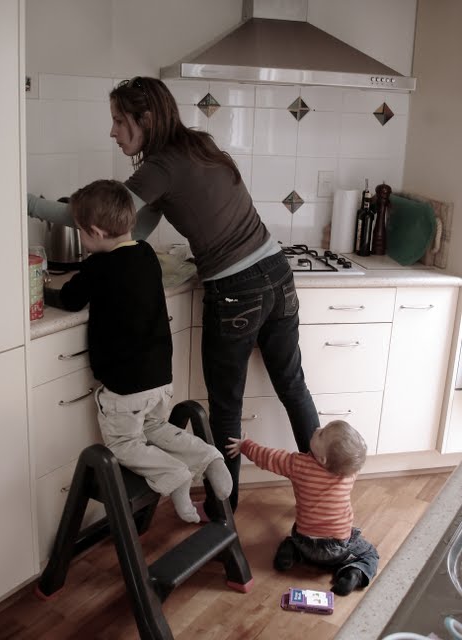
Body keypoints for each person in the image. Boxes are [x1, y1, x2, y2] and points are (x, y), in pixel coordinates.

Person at [28, 76, 320, 520]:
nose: (112, 132)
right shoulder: (199, 145)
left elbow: (100, 216)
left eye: (119, 121)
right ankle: (324, 494)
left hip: (236, 290)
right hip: (277, 273)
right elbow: (132, 230)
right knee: (294, 388)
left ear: (145, 119)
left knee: (227, 406)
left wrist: (27, 204)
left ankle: (223, 513)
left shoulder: (159, 167)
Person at [44, 178, 232, 524]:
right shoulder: (145, 253)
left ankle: (173, 475)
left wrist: (43, 293)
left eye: (80, 232)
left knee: (123, 444)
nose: (81, 239)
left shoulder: (98, 266)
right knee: (155, 428)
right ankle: (208, 457)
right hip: (159, 379)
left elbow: (71, 299)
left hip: (125, 388)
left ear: (95, 232)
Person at [226, 420, 379, 596]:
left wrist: (245, 446)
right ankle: (354, 572)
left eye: (321, 433)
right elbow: (354, 460)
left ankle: (291, 553)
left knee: (293, 539)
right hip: (337, 549)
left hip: (304, 541)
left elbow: (268, 457)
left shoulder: (297, 464)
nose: (317, 428)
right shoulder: (349, 473)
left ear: (323, 458)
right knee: (370, 554)